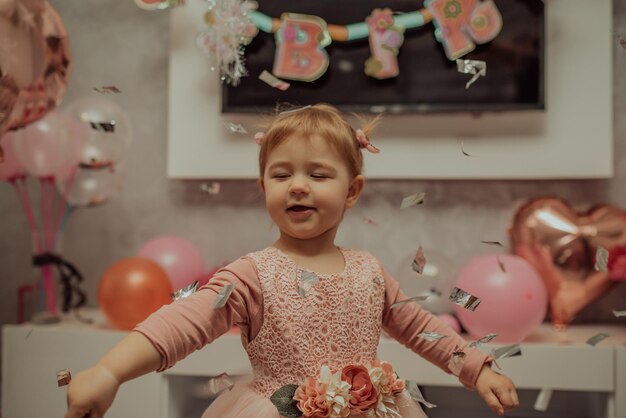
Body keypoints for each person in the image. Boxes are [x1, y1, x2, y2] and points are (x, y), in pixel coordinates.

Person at [65, 104, 519, 418]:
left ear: (352, 191)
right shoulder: (250, 275)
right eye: (281, 174)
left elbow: (424, 330)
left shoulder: (369, 271)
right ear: (264, 188)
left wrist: (476, 367)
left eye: (318, 174)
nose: (297, 186)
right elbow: (181, 324)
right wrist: (109, 371)